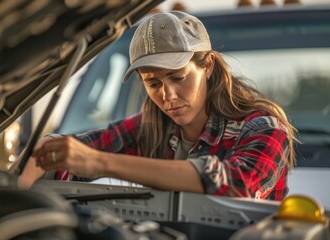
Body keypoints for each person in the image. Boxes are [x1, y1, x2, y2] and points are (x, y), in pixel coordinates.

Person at [18, 11, 297, 201]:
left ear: (208, 65)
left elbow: (238, 184)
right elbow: (67, 151)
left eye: (178, 77)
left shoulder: (264, 128)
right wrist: (40, 158)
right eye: (153, 84)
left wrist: (97, 162)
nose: (168, 95)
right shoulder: (150, 127)